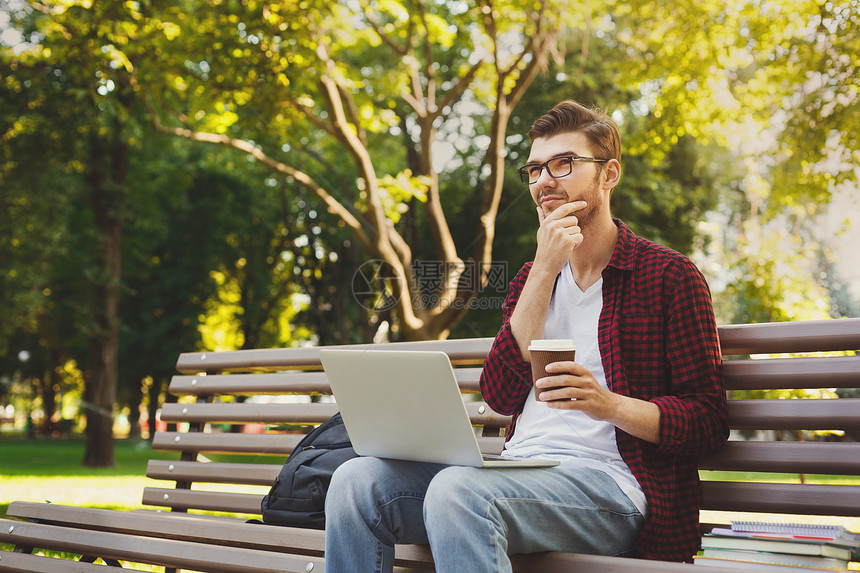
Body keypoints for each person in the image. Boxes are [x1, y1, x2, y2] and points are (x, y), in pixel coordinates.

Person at [324, 100, 729, 572]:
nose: (544, 181)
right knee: (357, 481)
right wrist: (544, 268)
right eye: (535, 169)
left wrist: (608, 404)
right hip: (517, 475)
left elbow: (708, 421)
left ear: (609, 174)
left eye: (564, 164)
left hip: (614, 488)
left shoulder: (667, 275)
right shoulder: (532, 278)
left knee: (460, 493)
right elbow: (500, 393)